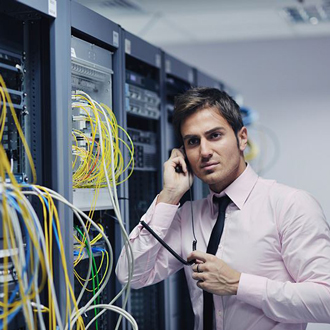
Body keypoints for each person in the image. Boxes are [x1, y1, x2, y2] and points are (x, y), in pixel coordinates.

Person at [116, 87, 330, 330]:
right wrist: (169, 196)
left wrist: (238, 284)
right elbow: (131, 276)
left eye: (215, 135)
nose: (205, 151)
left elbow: (326, 300)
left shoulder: (290, 205)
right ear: (183, 153)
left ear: (242, 138)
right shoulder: (188, 216)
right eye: (193, 141)